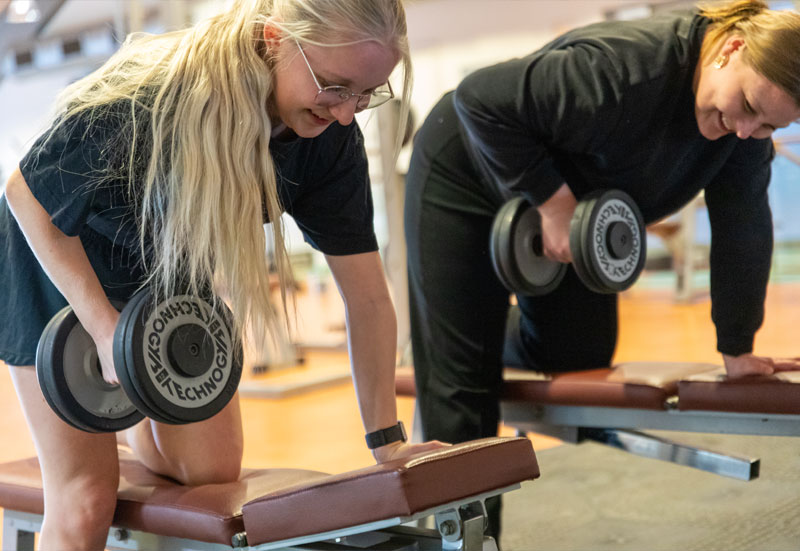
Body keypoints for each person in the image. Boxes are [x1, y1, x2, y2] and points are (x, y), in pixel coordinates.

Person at [0, 1, 446, 549]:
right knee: (87, 498)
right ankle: (95, 443)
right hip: (57, 256)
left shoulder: (328, 144)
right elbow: (26, 195)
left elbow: (369, 300)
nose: (347, 112)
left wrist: (388, 445)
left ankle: (128, 417)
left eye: (365, 94)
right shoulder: (153, 94)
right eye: (334, 85)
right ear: (275, 38)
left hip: (160, 265)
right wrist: (103, 327)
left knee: (211, 471)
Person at [405, 0, 800, 540]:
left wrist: (736, 347)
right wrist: (556, 207)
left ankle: (462, 329)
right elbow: (481, 99)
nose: (746, 128)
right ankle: (471, 539)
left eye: (768, 125)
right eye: (749, 104)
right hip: (466, 169)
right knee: (463, 397)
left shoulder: (741, 137)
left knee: (577, 352)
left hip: (562, 202)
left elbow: (743, 225)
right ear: (732, 50)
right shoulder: (627, 69)